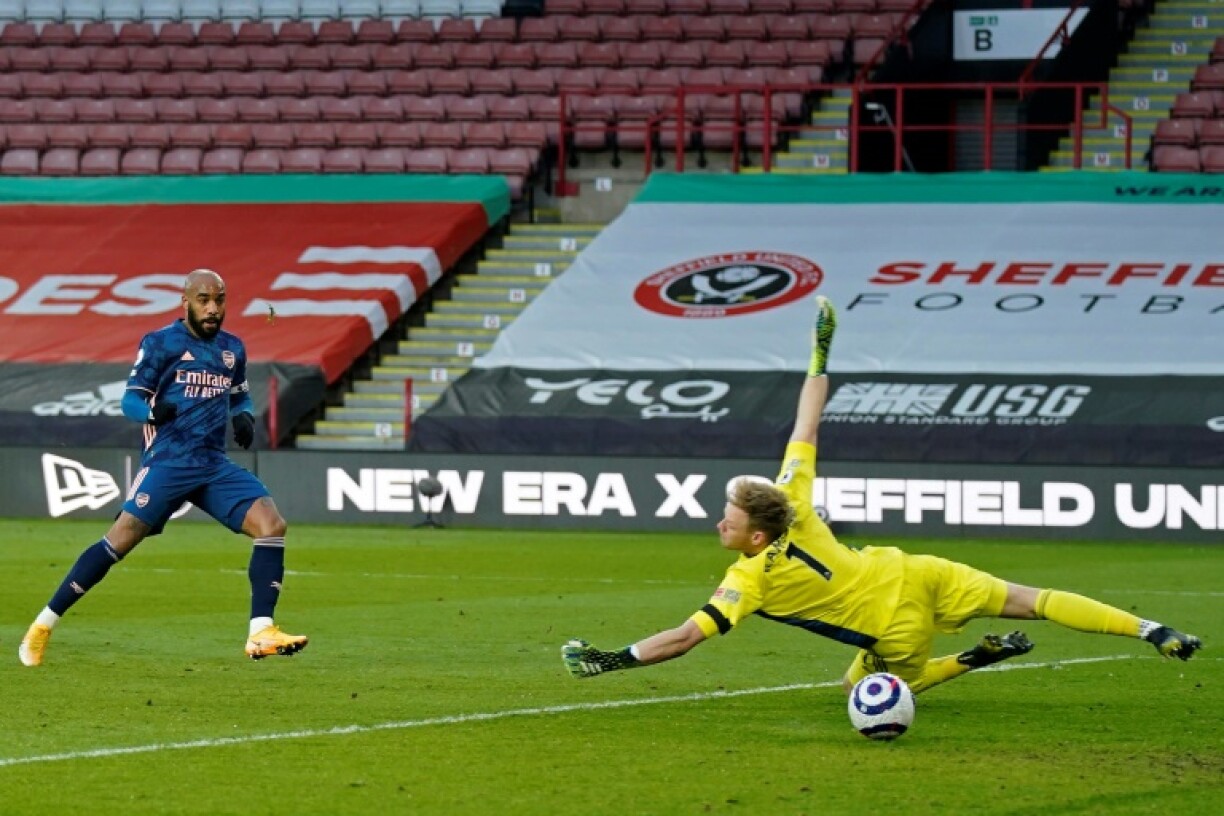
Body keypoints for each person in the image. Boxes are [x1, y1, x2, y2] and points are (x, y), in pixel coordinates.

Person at [562, 296, 1202, 693]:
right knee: (1035, 600)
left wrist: (612, 660)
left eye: (726, 521)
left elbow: (683, 637)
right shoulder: (794, 497)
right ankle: (1151, 628)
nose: (717, 526)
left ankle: (972, 660)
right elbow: (805, 424)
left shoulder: (747, 579)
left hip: (896, 626)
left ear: (756, 536)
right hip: (917, 571)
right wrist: (820, 357)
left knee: (866, 689)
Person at [19, 269, 308, 667]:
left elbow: (239, 396)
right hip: (169, 461)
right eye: (204, 299)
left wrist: (244, 416)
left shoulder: (232, 349)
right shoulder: (160, 343)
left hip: (212, 464)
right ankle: (43, 625)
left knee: (271, 525)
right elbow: (130, 402)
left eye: (219, 300)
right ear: (185, 301)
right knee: (118, 541)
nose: (212, 308)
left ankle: (261, 630)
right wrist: (154, 409)